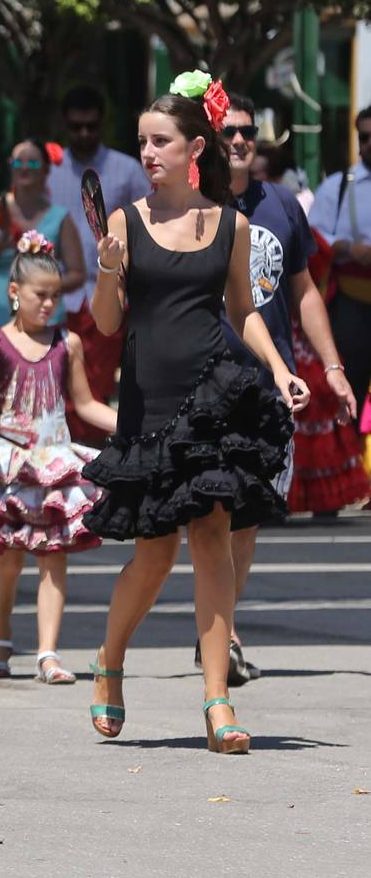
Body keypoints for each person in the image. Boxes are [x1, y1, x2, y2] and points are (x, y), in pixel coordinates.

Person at [82, 73, 306, 755]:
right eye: (143, 142)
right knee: (154, 554)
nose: (147, 153)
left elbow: (244, 311)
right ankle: (109, 662)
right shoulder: (126, 222)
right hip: (150, 401)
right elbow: (106, 324)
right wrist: (109, 270)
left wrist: (279, 368)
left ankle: (217, 699)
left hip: (216, 395)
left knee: (212, 538)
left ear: (194, 149)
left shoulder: (231, 225)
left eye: (161, 141)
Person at [206, 94, 360, 685]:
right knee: (214, 514)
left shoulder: (282, 208)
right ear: (209, 140)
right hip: (207, 379)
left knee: (248, 518)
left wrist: (333, 368)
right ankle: (220, 631)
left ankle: (225, 626)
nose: (240, 141)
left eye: (247, 132)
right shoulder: (195, 206)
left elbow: (303, 292)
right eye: (229, 132)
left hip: (267, 383)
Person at [0, 230, 116, 682]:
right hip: (13, 463)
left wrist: (130, 426)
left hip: (53, 458)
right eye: (41, 295)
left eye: (56, 296)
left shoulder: (68, 343)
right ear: (15, 293)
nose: (49, 305)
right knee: (10, 555)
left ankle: (48, 653)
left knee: (53, 554)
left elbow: (87, 403)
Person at [0, 138, 85, 445]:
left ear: (47, 170)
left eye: (33, 163)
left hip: (43, 318)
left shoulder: (59, 216)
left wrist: (42, 287)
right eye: (18, 163)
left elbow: (78, 272)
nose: (24, 169)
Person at [48, 85, 152, 442]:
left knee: (95, 386)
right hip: (56, 299)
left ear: (102, 124)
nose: (84, 134)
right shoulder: (49, 171)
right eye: (76, 127)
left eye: (91, 126)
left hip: (104, 294)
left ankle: (91, 468)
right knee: (54, 390)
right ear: (65, 125)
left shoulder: (126, 170)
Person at [308, 105, 371, 406]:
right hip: (351, 303)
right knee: (351, 385)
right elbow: (314, 236)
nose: (370, 143)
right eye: (365, 137)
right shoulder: (337, 187)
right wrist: (346, 247)